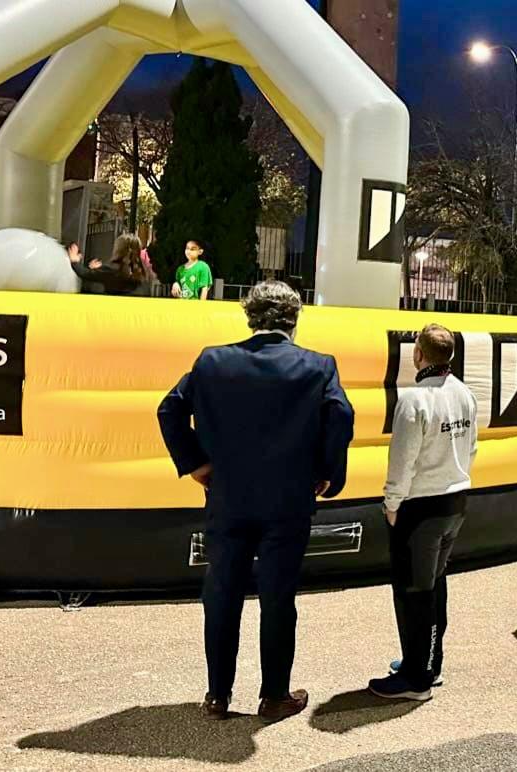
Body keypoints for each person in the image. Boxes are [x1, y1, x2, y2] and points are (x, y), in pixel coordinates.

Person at [157, 281, 354, 723]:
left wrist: (196, 464)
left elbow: (169, 410)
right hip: (289, 501)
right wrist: (327, 475)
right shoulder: (318, 366)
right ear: (294, 319)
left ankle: (217, 695)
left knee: (221, 594)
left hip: (227, 497)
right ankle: (275, 696)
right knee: (278, 598)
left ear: (249, 317)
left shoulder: (212, 360)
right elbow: (341, 417)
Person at [369, 324, 479, 702]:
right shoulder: (465, 394)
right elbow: (472, 448)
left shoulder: (414, 400)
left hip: (420, 508)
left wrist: (392, 503)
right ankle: (430, 663)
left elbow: (402, 460)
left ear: (418, 355)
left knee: (413, 591)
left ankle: (416, 680)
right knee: (434, 583)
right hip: (455, 501)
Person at [70, 234, 150, 296]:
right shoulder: (142, 272)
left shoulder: (111, 269)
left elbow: (85, 274)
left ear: (118, 249)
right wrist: (98, 270)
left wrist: (74, 261)